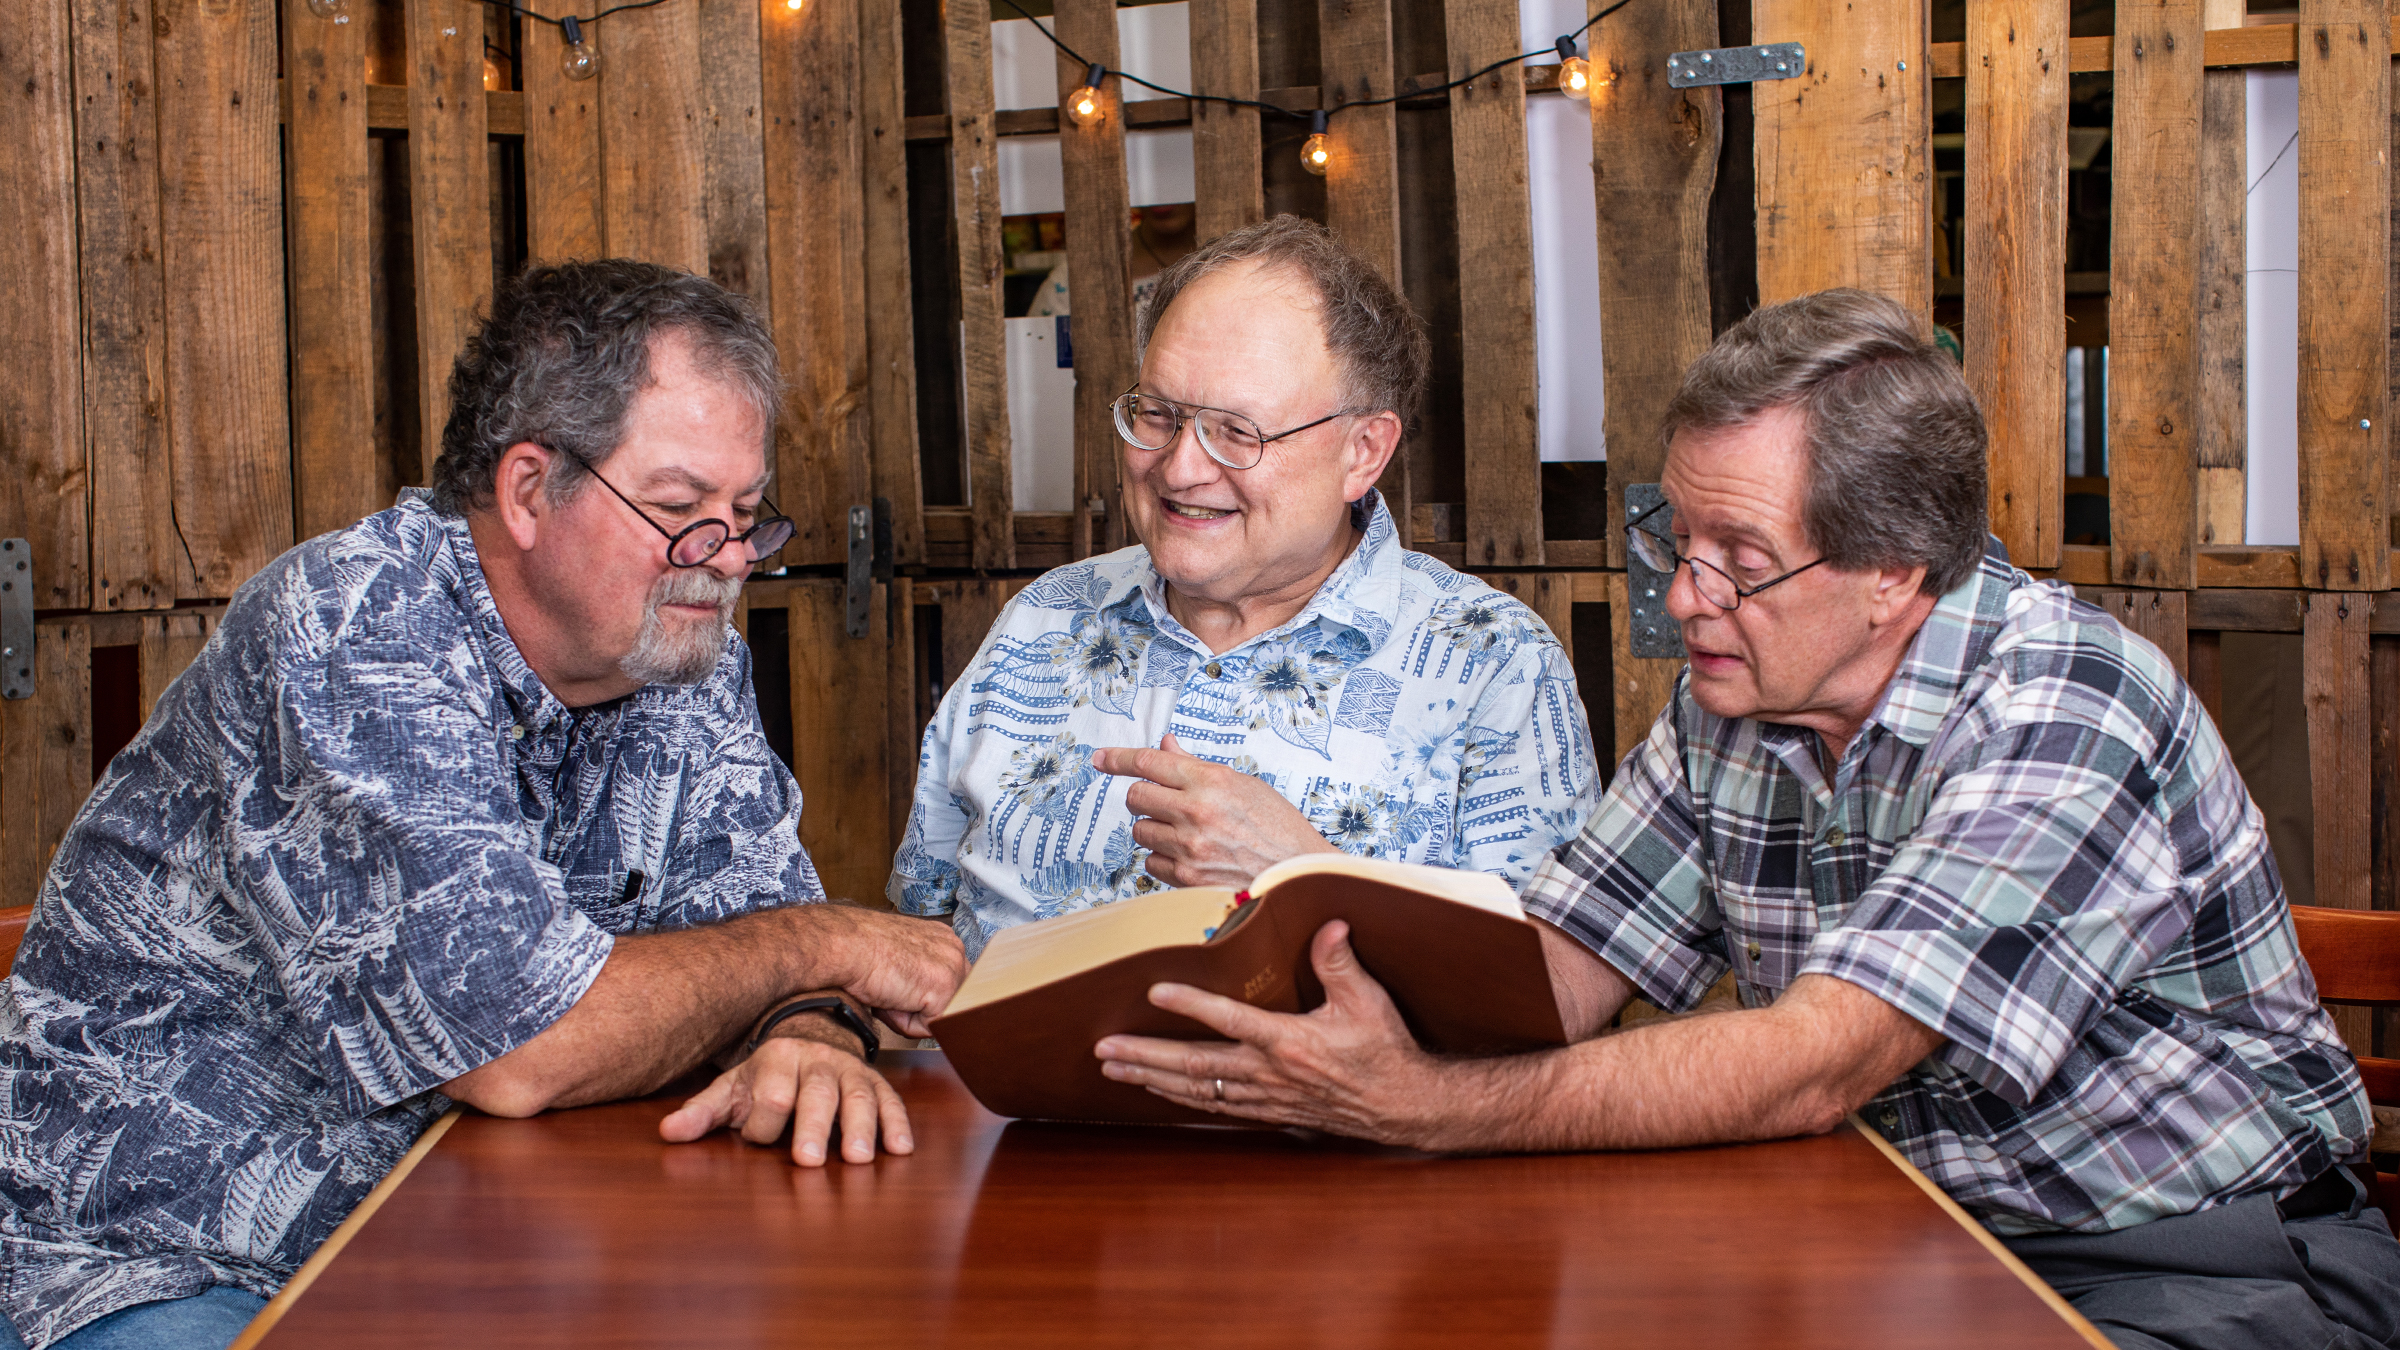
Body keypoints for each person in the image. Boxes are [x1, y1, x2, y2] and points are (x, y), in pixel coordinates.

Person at [1091, 289, 2400, 1350]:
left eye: (1742, 558)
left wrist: (1435, 1107)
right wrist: (1306, 925)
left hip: (2195, 1257)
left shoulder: (2066, 699)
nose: (1686, 595)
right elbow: (1549, 970)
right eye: (1676, 534)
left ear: (1895, 571)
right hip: (1895, 1234)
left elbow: (1819, 1060)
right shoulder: (1739, 694)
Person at [0, 261, 967, 1350]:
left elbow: (759, 935)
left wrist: (813, 1037)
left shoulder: (679, 651)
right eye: (681, 510)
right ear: (525, 492)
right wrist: (820, 949)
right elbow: (521, 1048)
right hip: (160, 1262)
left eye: (747, 516)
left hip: (463, 1234)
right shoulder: (355, 630)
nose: (729, 562)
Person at [892, 215, 1601, 954]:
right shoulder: (1041, 619)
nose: (1178, 468)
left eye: (1237, 432)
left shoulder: (1494, 664)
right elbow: (922, 924)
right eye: (1158, 414)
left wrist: (1309, 879)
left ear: (1364, 451)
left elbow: (1532, 1006)